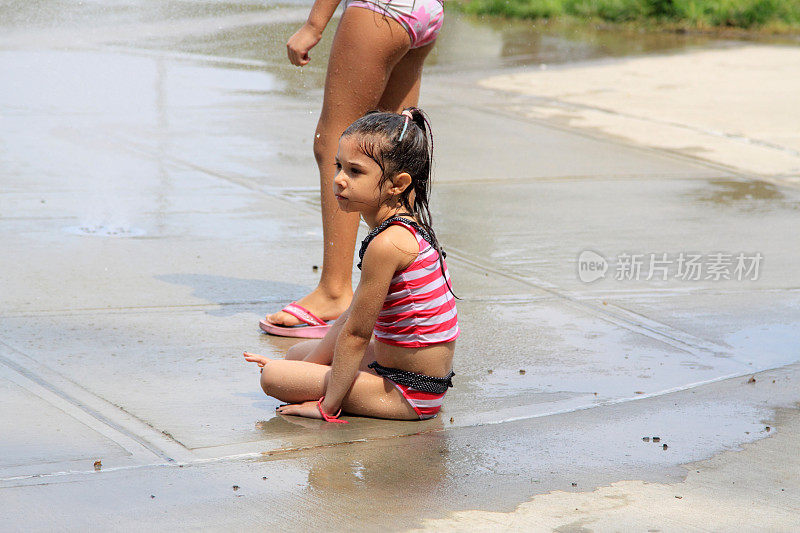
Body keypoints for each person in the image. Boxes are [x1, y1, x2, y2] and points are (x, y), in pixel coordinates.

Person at [245, 109, 458, 422]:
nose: (339, 179)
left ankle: (327, 393)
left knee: (274, 377)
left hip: (410, 393)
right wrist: (308, 368)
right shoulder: (401, 228)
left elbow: (358, 335)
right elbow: (351, 316)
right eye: (339, 166)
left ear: (397, 184)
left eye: (355, 172)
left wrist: (327, 405)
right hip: (402, 372)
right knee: (294, 356)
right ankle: (309, 375)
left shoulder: (388, 245)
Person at [260, 0, 445, 338]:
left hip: (380, 10)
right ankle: (410, 285)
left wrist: (314, 25)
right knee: (394, 149)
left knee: (335, 141)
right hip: (424, 13)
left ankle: (333, 291)